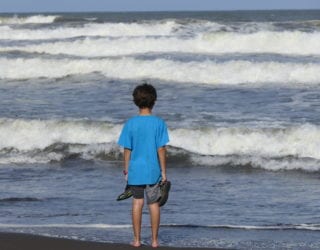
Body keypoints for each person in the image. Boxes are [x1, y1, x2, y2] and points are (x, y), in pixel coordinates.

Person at [118, 83, 169, 248]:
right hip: (153, 170)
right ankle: (154, 241)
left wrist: (126, 169)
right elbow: (161, 149)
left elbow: (127, 149)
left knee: (137, 203)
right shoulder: (159, 123)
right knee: (153, 204)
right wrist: (163, 171)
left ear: (135, 101)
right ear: (154, 101)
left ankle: (137, 240)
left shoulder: (130, 123)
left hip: (135, 171)